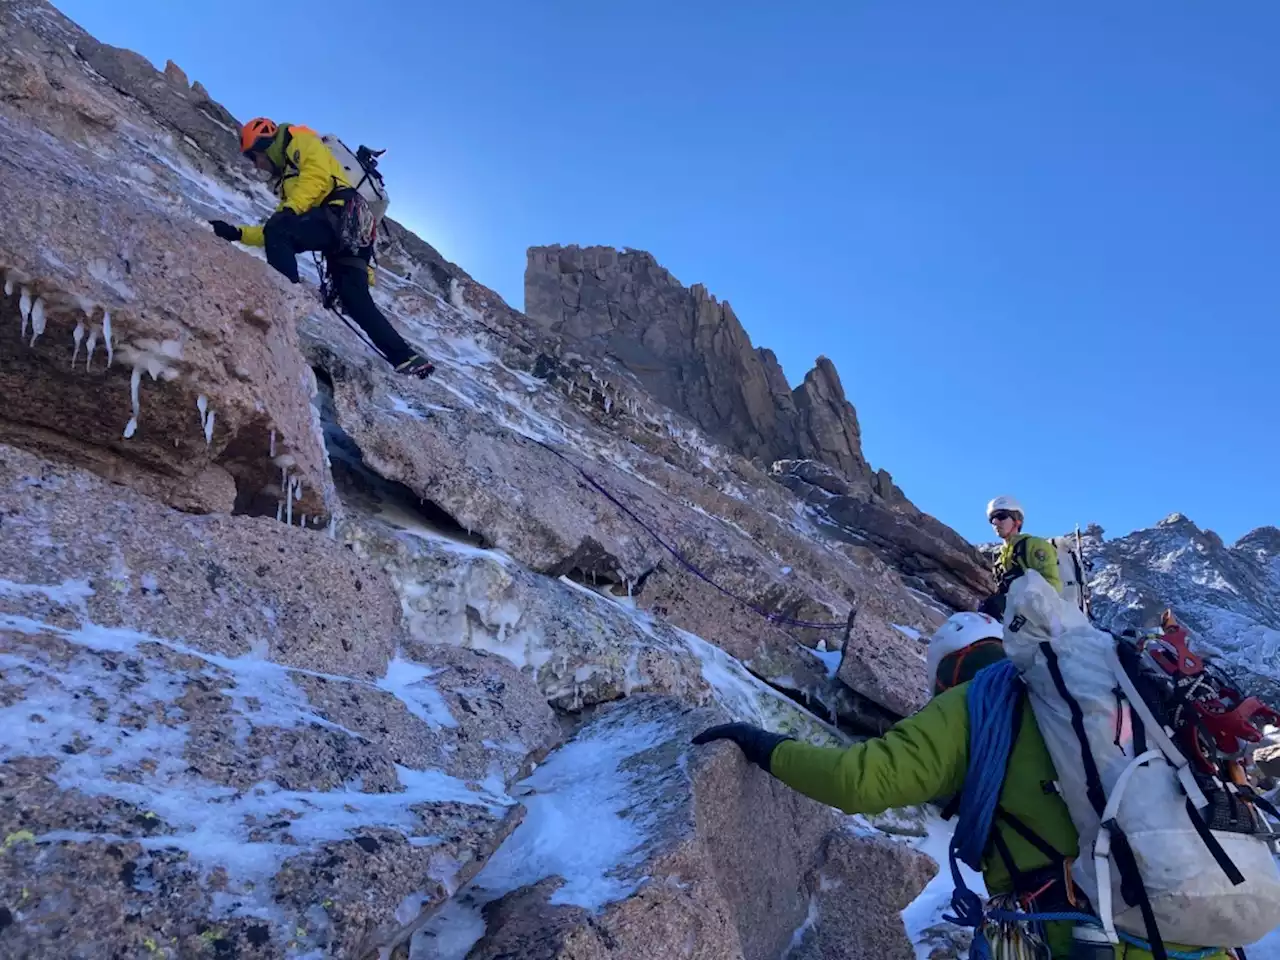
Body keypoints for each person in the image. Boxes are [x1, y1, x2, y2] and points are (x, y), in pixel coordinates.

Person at [692, 612, 1230, 960]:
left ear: (947, 672)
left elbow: (858, 781)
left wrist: (762, 744)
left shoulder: (977, 699)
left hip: (1079, 936)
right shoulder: (1100, 698)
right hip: (1198, 926)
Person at [209, 118, 434, 378]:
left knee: (280, 230)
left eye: (254, 157)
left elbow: (316, 177)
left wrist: (288, 211)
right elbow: (279, 228)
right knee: (354, 298)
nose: (256, 165)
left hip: (340, 216)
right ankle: (406, 357)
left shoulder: (300, 141)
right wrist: (238, 233)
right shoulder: (288, 179)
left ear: (264, 145)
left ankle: (284, 301)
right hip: (353, 229)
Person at [980, 495, 1060, 619]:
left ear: (1017, 521)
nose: (995, 522)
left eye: (1001, 516)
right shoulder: (1000, 560)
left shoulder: (1033, 545)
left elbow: (1052, 588)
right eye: (992, 519)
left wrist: (1013, 604)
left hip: (1040, 624)